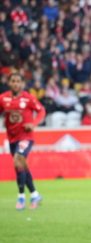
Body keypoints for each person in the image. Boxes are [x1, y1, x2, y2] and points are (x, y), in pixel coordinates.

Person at [0, 73, 45, 210]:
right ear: (9, 83)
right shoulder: (3, 98)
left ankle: (21, 197)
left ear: (22, 84)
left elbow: (41, 110)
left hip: (26, 136)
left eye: (18, 82)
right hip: (12, 137)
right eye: (13, 81)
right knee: (22, 165)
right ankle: (35, 194)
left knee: (18, 159)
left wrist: (34, 123)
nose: (15, 84)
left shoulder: (29, 98)